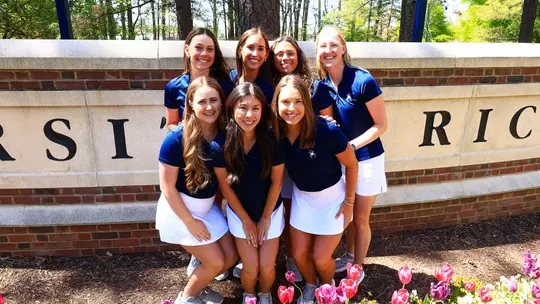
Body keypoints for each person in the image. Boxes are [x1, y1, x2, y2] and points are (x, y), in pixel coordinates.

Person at [271, 74, 358, 303]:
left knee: (321, 258)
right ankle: (311, 284)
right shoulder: (275, 136)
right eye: (285, 102)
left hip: (334, 200)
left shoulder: (326, 130)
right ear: (276, 104)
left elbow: (351, 164)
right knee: (299, 255)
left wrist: (349, 202)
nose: (291, 108)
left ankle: (327, 286)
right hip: (304, 200)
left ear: (307, 103)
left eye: (298, 101)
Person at [312, 26, 389, 282]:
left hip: (367, 159)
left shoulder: (362, 80)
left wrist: (352, 146)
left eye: (334, 45)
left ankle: (357, 267)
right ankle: (348, 254)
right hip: (342, 161)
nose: (328, 51)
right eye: (323, 46)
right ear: (317, 51)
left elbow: (381, 125)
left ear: (343, 48)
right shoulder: (321, 86)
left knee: (360, 219)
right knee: (346, 213)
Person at [156, 76, 238, 304]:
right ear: (190, 103)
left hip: (207, 207)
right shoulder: (175, 139)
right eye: (202, 101)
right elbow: (167, 187)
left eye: (214, 100)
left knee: (230, 257)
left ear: (222, 103)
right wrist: (190, 222)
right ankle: (187, 297)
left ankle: (200, 285)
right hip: (181, 211)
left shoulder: (225, 134)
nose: (209, 107)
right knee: (216, 262)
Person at [213, 82, 285, 304]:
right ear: (232, 108)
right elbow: (225, 187)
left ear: (263, 111)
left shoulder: (272, 141)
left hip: (269, 211)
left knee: (266, 267)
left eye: (255, 108)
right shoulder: (221, 144)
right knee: (251, 268)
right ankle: (249, 295)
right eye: (243, 108)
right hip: (240, 212)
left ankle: (264, 294)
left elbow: (276, 183)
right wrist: (246, 221)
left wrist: (264, 219)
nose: (249, 114)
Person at [268, 36, 313, 283]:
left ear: (299, 55)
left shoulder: (313, 85)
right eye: (279, 54)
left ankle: (303, 255)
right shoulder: (266, 84)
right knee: (284, 206)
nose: (285, 58)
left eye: (290, 53)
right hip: (278, 156)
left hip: (307, 156)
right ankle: (290, 256)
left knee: (301, 206)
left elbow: (323, 119)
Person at [164, 27, 234, 131]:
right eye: (199, 48)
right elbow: (171, 124)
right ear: (187, 50)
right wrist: (184, 129)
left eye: (209, 49)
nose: (204, 53)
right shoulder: (173, 87)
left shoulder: (226, 85)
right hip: (188, 144)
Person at [230, 28, 275, 107]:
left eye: (260, 49)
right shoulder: (230, 79)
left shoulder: (268, 90)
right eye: (250, 47)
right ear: (240, 50)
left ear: (266, 55)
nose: (255, 54)